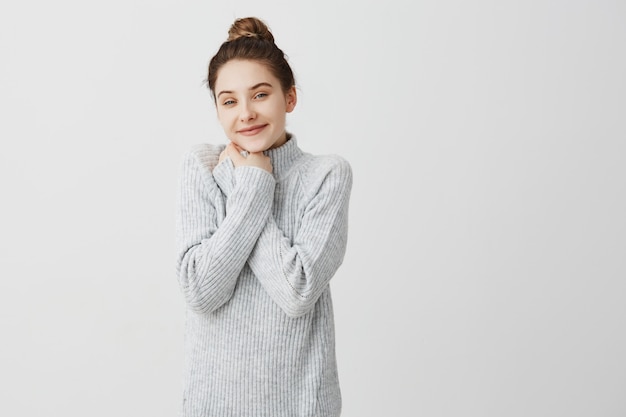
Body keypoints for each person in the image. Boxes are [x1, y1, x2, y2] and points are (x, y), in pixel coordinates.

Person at [175, 16, 353, 417]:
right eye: (230, 100)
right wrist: (252, 185)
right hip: (212, 405)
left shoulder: (326, 175)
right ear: (218, 109)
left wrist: (248, 185)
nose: (246, 114)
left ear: (289, 98)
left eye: (260, 94)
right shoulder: (203, 166)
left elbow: (297, 291)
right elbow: (201, 291)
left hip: (301, 405)